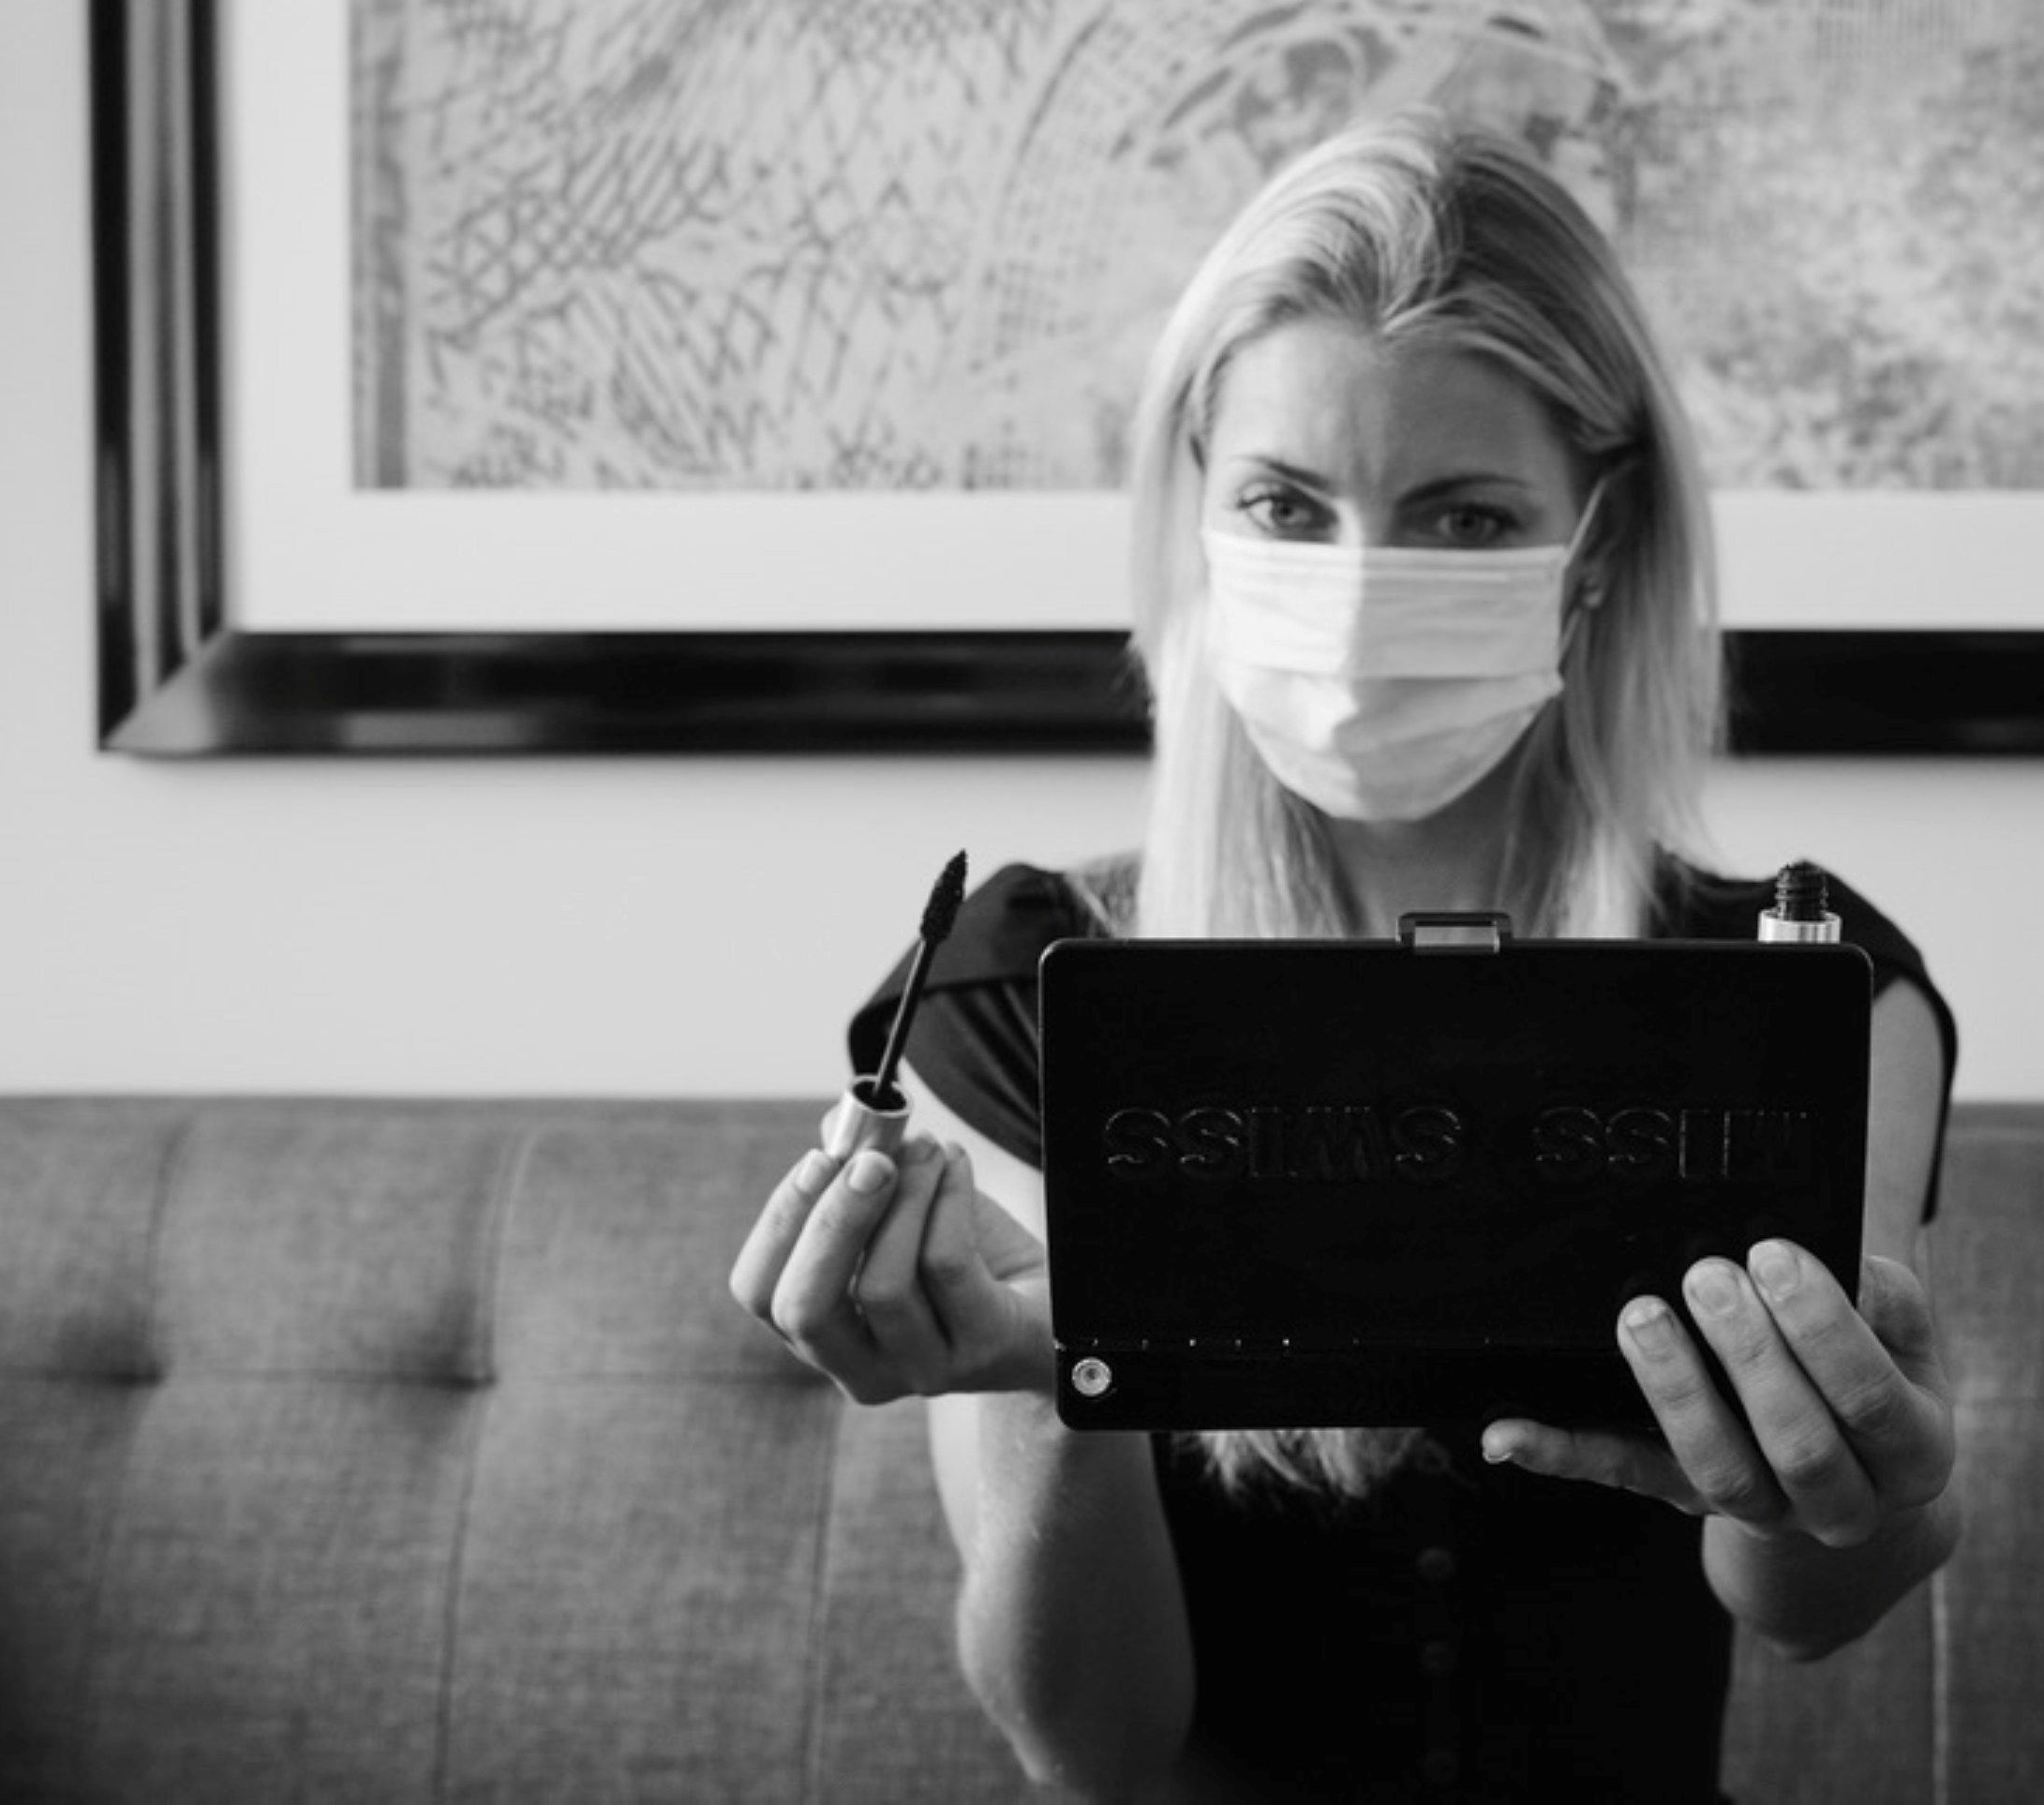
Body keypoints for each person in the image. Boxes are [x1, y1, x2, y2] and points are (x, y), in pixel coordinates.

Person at [730, 110, 1961, 1801]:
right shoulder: (1024, 990)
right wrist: (1074, 1376)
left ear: (1596, 545)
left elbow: (1809, 1603)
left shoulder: (1800, 993)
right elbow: (1088, 1746)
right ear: (1200, 519)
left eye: (1461, 519)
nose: (1360, 585)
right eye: (1285, 504)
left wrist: (1879, 1475)